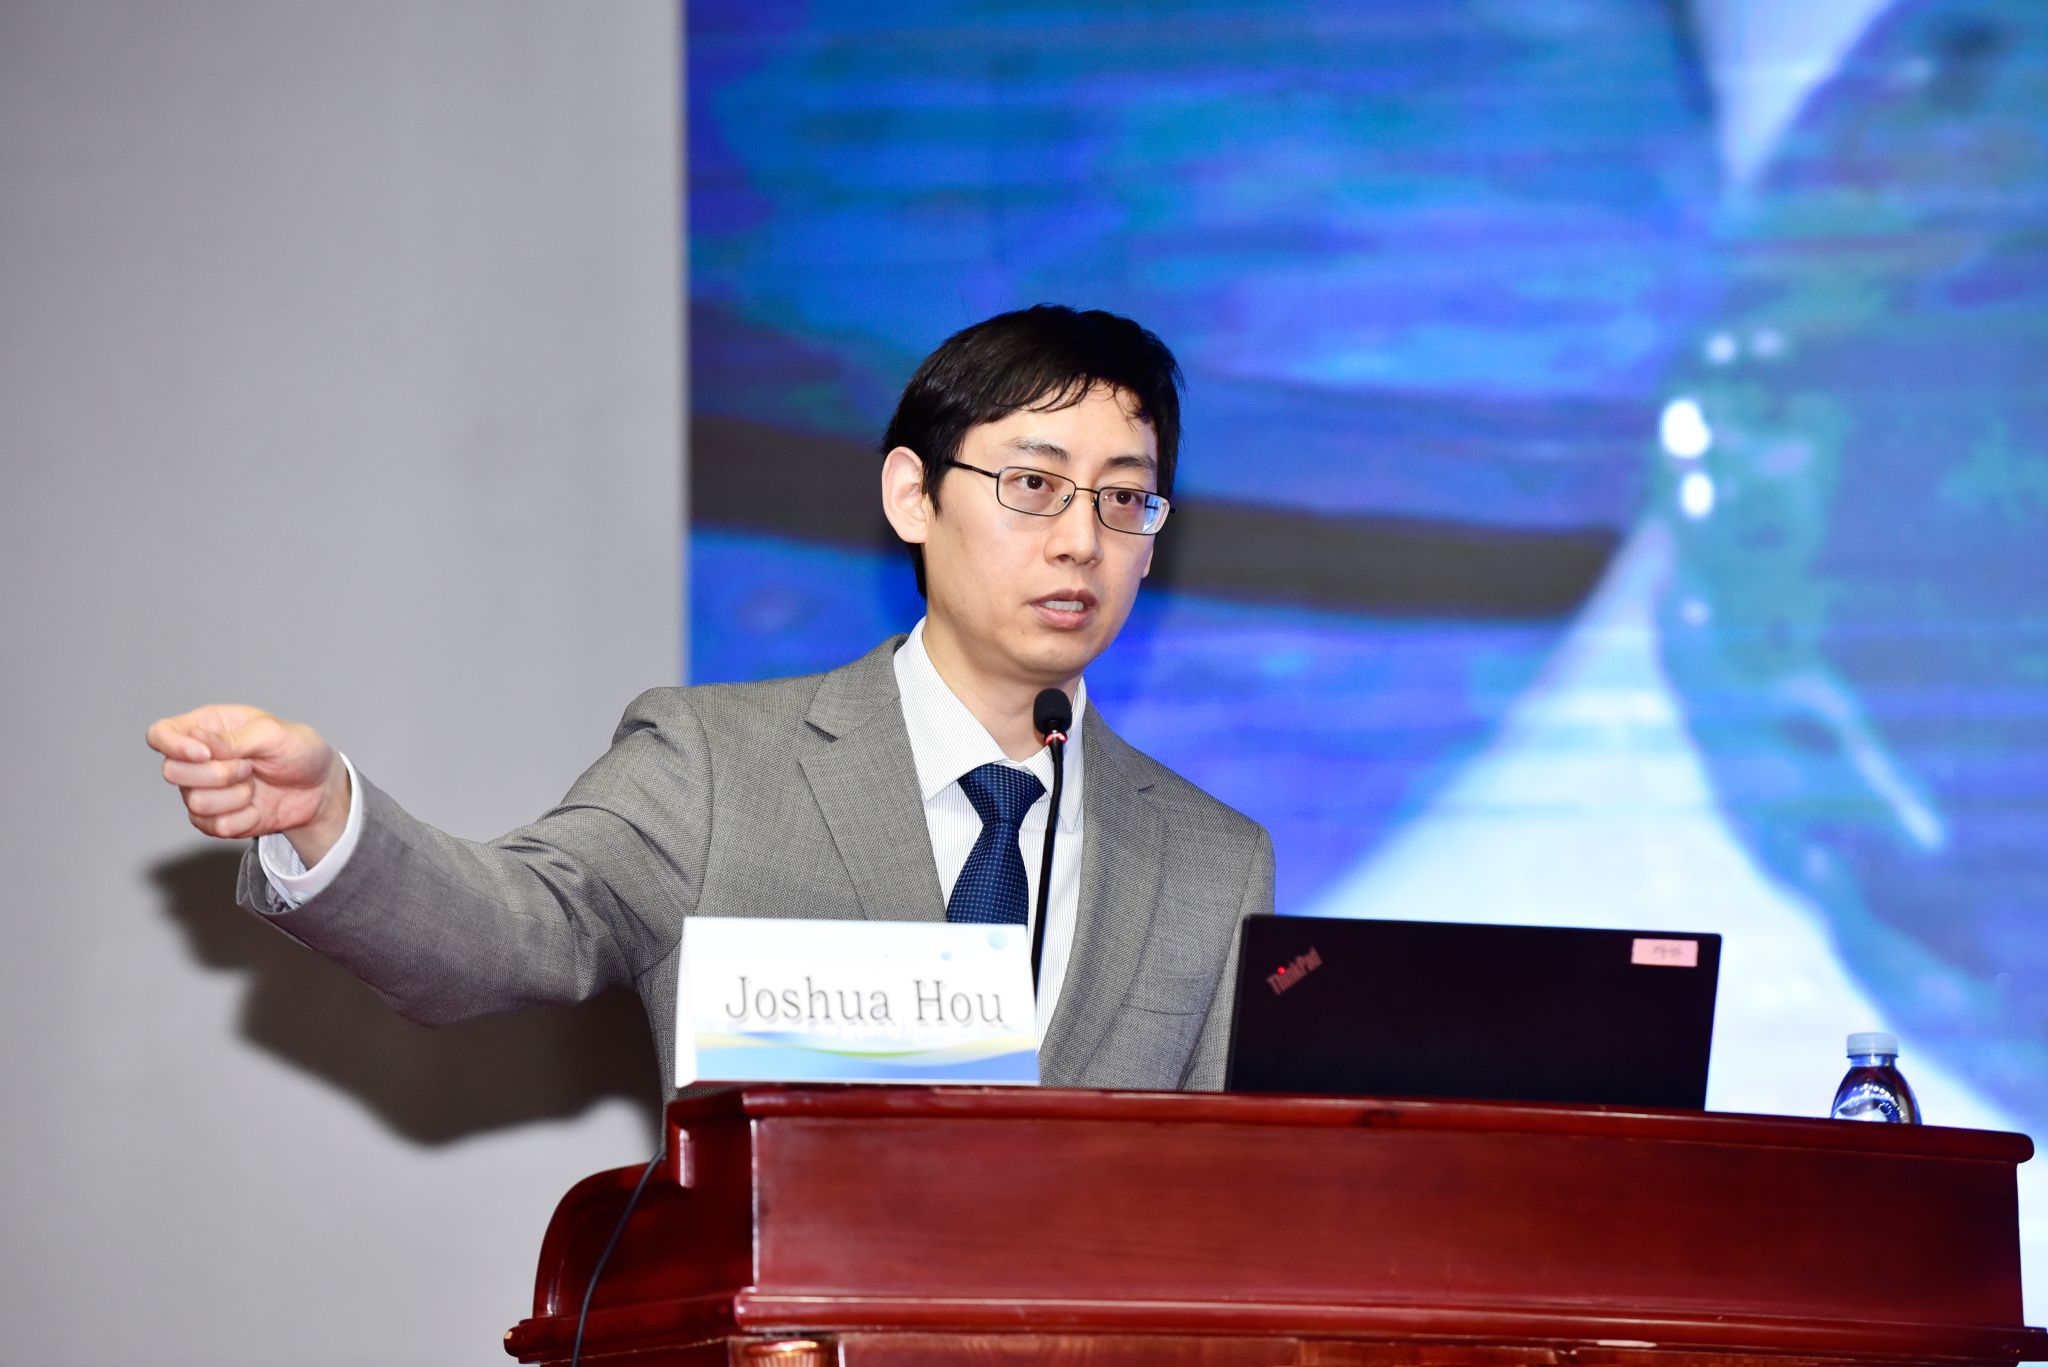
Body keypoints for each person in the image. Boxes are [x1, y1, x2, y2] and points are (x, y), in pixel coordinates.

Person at [146, 305, 1274, 1097]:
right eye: (1033, 484)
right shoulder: (716, 766)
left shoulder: (1213, 862)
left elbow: (1234, 1201)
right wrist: (328, 817)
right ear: (911, 495)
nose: (1081, 538)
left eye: (1123, 499)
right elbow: (508, 932)